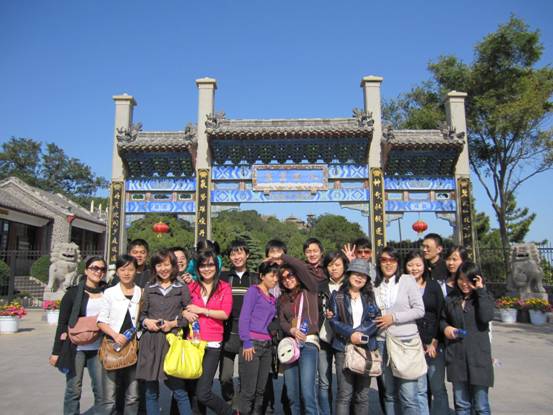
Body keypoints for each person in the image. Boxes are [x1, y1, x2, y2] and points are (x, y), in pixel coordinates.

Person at [135, 249, 195, 415]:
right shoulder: (149, 287)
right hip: (150, 343)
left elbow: (189, 316)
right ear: (154, 267)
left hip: (171, 343)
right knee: (150, 392)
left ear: (173, 266)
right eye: (159, 265)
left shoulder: (181, 288)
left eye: (167, 264)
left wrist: (173, 323)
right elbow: (141, 315)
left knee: (179, 391)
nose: (163, 269)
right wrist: (146, 322)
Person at [49, 256, 108, 415]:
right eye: (94, 268)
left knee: (101, 389)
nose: (98, 272)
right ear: (86, 270)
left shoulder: (108, 292)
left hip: (99, 347)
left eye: (102, 269)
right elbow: (62, 324)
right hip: (76, 347)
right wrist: (56, 352)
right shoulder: (73, 293)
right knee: (73, 389)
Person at [373, 247, 426, 415]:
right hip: (382, 342)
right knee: (389, 394)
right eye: (384, 260)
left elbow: (419, 310)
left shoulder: (407, 280)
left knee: (408, 395)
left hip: (405, 343)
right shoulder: (375, 284)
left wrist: (394, 318)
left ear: (398, 262)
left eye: (392, 260)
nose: (388, 264)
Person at [441, 261, 494, 415]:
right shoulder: (451, 297)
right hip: (457, 356)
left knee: (481, 406)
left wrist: (481, 291)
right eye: (461, 279)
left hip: (478, 357)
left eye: (469, 280)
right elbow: (442, 319)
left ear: (477, 279)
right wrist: (446, 328)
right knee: (461, 405)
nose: (464, 284)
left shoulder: (483, 297)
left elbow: (486, 317)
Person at [186, 250, 235, 415]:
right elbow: (182, 307)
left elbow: (225, 313)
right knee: (194, 391)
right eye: (203, 266)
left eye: (210, 265)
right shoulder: (192, 287)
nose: (206, 269)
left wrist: (202, 310)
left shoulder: (224, 287)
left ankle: (230, 412)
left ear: (216, 266)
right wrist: (185, 313)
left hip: (212, 344)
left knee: (203, 392)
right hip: (193, 343)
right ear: (198, 268)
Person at [329, 259, 380, 415]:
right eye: (356, 274)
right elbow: (333, 320)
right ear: (349, 275)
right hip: (343, 348)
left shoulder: (369, 297)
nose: (359, 278)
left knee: (362, 396)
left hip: (366, 349)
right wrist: (351, 334)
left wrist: (360, 333)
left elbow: (376, 319)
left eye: (363, 275)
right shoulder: (337, 296)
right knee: (344, 395)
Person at [97, 255, 143, 415]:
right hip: (113, 346)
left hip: (134, 347)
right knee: (109, 396)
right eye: (123, 269)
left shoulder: (140, 292)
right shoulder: (110, 293)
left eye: (130, 269)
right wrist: (115, 335)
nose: (126, 273)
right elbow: (101, 321)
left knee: (133, 395)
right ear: (117, 272)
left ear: (136, 271)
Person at [404, 250, 448, 415]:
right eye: (410, 265)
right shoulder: (402, 287)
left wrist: (434, 341)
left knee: (438, 388)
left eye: (418, 265)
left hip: (434, 344)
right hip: (413, 344)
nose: (414, 268)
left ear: (425, 266)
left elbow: (441, 314)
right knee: (420, 389)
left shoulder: (433, 286)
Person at [277, 253, 321, 415]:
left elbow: (301, 267)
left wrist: (282, 256)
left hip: (308, 344)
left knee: (307, 393)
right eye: (283, 278)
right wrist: (291, 330)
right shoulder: (283, 299)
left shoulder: (310, 290)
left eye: (290, 275)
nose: (287, 280)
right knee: (292, 394)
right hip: (291, 345)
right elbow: (282, 321)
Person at [219, 239, 259, 405]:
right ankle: (230, 403)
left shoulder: (255, 278)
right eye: (233, 254)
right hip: (227, 333)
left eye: (240, 253)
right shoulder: (223, 277)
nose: (236, 257)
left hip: (248, 334)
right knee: (225, 377)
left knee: (246, 376)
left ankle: (242, 407)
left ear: (247, 255)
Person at [237, 261, 279, 415]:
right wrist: (246, 342)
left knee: (261, 391)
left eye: (277, 276)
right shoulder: (253, 291)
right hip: (252, 345)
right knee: (249, 391)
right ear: (262, 276)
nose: (275, 279)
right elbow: (244, 317)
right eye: (272, 276)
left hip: (267, 346)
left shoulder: (272, 298)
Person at [317, 251, 349, 415]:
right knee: (324, 382)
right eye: (330, 265)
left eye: (337, 265)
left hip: (343, 339)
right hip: (324, 338)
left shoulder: (350, 285)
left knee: (343, 384)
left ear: (344, 266)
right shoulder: (321, 286)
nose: (334, 268)